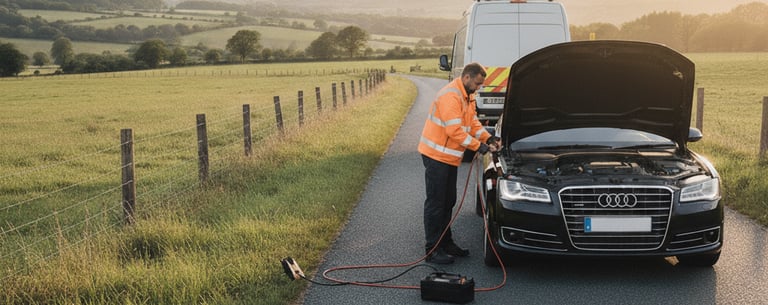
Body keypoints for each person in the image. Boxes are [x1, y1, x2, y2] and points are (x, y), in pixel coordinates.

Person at [417, 62, 501, 264]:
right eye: (478, 84)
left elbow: (471, 123)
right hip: (436, 157)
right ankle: (432, 250)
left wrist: (487, 139)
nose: (479, 87)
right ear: (467, 78)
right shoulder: (450, 96)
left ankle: (446, 243)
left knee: (448, 201)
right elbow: (454, 131)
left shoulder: (467, 95)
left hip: (449, 158)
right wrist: (479, 147)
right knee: (436, 204)